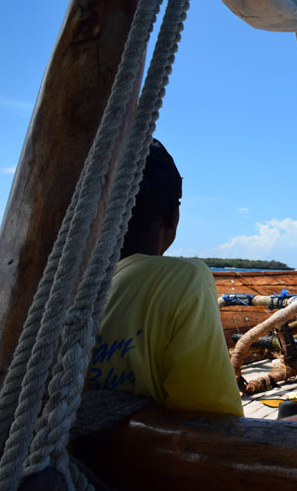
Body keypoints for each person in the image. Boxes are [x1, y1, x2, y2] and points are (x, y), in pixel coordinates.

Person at [86, 139, 244, 417]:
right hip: (132, 460)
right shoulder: (183, 281)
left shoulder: (57, 286)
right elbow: (214, 426)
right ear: (173, 215)